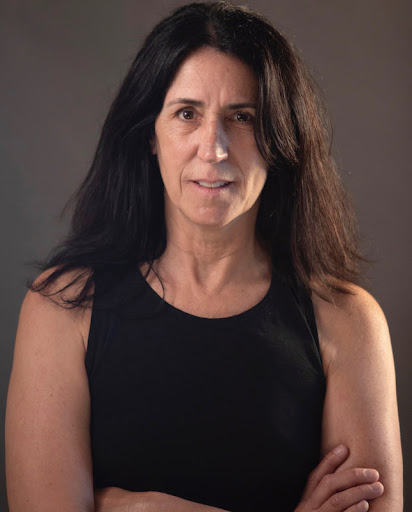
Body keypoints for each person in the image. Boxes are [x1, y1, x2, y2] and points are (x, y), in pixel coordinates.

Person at [5, 2, 403, 511]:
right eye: (187, 114)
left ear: (280, 139)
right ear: (150, 132)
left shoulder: (347, 321)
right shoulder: (63, 309)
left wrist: (141, 508)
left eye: (242, 117)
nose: (212, 148)